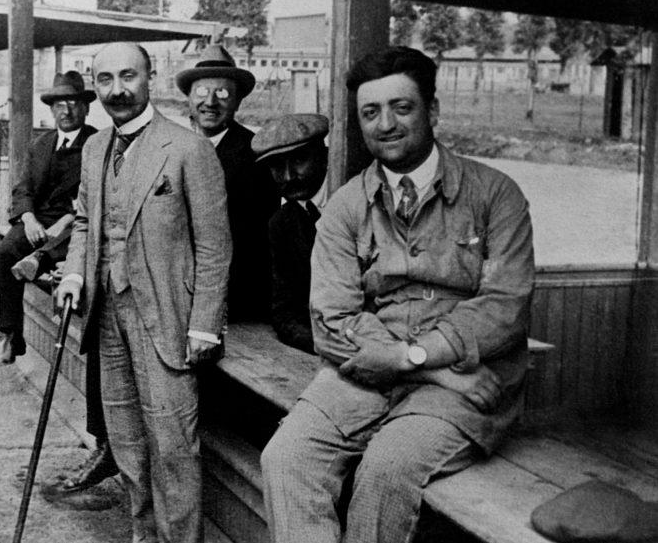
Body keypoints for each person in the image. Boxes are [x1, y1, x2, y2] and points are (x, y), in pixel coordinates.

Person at [260, 46, 535, 543]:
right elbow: (332, 324)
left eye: (401, 107)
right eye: (371, 112)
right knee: (285, 457)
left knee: (386, 470)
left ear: (432, 111)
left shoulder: (496, 194)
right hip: (377, 373)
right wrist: (423, 364)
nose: (385, 124)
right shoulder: (345, 208)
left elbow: (504, 307)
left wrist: (426, 361)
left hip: (470, 379)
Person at [55, 42, 231, 543]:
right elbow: (87, 222)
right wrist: (73, 276)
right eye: (106, 79)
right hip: (107, 314)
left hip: (167, 321)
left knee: (173, 446)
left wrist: (204, 324)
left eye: (128, 76)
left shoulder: (187, 149)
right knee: (128, 440)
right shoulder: (93, 149)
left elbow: (216, 247)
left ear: (150, 78)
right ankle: (143, 535)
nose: (117, 90)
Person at [0, 71, 97, 364]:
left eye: (74, 103)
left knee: (72, 237)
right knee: (3, 255)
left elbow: (97, 199)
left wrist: (67, 218)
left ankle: (39, 258)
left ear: (86, 107)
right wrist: (28, 219)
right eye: (60, 104)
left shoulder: (97, 144)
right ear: (52, 109)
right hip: (36, 223)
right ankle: (11, 333)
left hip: (74, 225)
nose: (67, 110)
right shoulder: (40, 145)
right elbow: (22, 188)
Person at [175, 44, 278, 322]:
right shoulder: (172, 147)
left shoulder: (256, 156)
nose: (210, 102)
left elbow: (252, 248)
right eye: (201, 92)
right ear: (188, 98)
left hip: (233, 303)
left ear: (237, 102)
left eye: (222, 93)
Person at [251, 114, 329, 354]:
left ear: (324, 156)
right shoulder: (282, 223)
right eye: (277, 166)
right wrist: (321, 345)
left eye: (298, 160)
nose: (287, 176)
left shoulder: (355, 204)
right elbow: (284, 311)